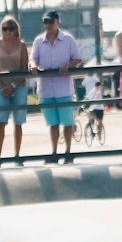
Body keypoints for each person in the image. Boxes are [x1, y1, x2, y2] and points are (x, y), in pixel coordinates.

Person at [31, 9, 83, 162]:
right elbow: (33, 58)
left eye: (50, 21)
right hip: (46, 89)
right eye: (45, 22)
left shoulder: (68, 39)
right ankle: (54, 153)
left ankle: (67, 152)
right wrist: (34, 66)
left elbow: (78, 59)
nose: (47, 25)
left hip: (64, 88)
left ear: (58, 22)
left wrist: (68, 64)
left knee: (67, 122)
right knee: (53, 124)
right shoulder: (38, 41)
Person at [0, 17, 29, 165]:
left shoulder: (22, 45)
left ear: (15, 30)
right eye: (5, 28)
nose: (7, 31)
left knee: (18, 122)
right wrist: (1, 85)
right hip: (0, 87)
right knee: (1, 121)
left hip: (18, 86)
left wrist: (12, 85)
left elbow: (24, 68)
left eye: (11, 28)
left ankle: (17, 155)